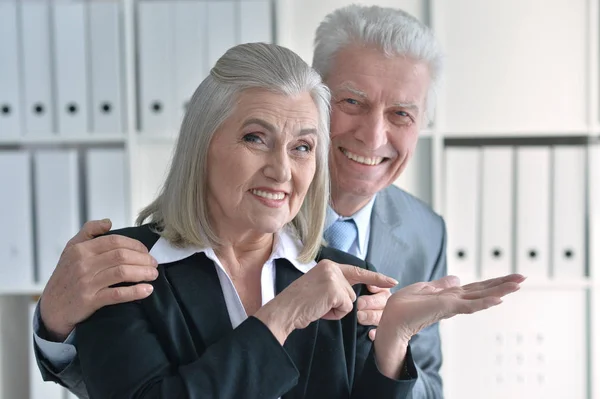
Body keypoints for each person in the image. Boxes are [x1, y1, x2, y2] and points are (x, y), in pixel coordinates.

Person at [34, 5, 451, 398]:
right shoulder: (125, 268)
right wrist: (284, 314)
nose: (282, 170)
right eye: (255, 138)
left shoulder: (347, 272)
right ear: (203, 144)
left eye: (302, 147)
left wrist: (394, 342)